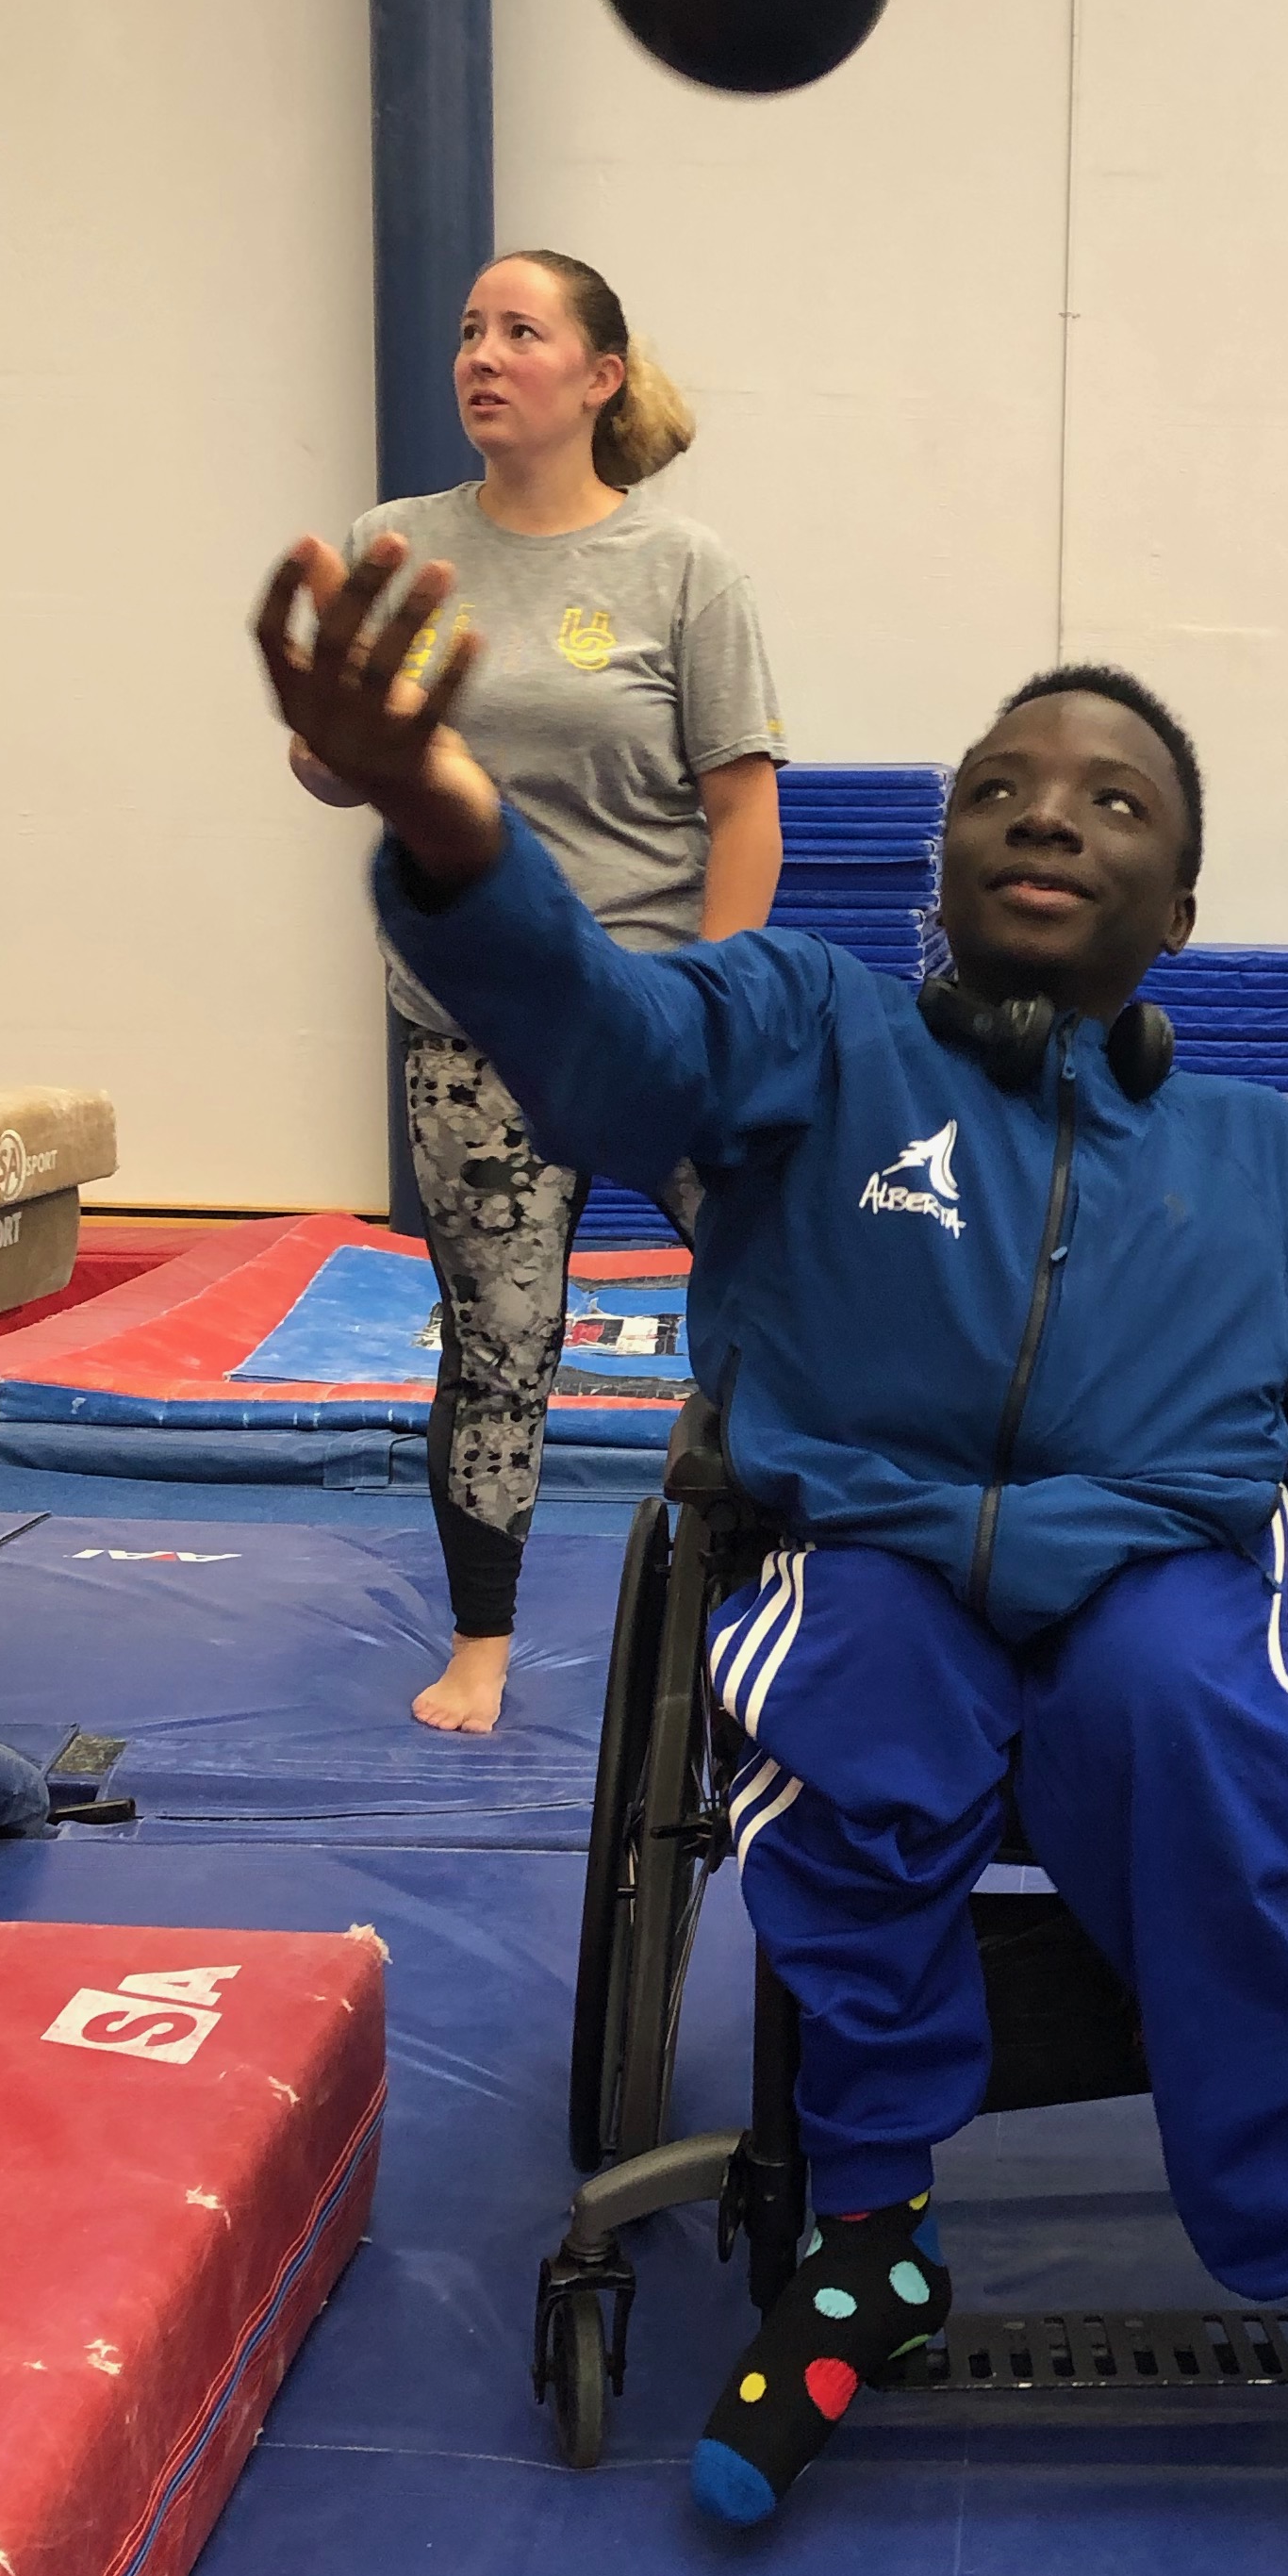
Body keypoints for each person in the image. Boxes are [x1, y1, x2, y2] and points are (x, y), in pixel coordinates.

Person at [253, 542, 1288, 2576]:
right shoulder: (810, 1032)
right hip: (867, 1548)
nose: (1049, 812)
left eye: (1114, 800)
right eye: (1001, 785)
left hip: (1160, 1574)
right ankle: (864, 2236)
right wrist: (443, 817)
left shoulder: (1270, 1165)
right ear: (940, 854)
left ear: (1182, 915)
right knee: (854, 1684)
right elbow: (601, 1042)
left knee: (1183, 1713)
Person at [288, 250, 784, 1734]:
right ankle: (483, 1644)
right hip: (478, 1018)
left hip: (654, 1002)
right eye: (468, 330)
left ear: (600, 377)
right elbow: (328, 770)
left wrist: (723, 998)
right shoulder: (399, 545)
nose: (482, 354)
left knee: (777, 1303)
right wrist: (341, 733)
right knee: (501, 1336)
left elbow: (743, 806)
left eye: (521, 331)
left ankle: (791, 1592)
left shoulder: (682, 570)